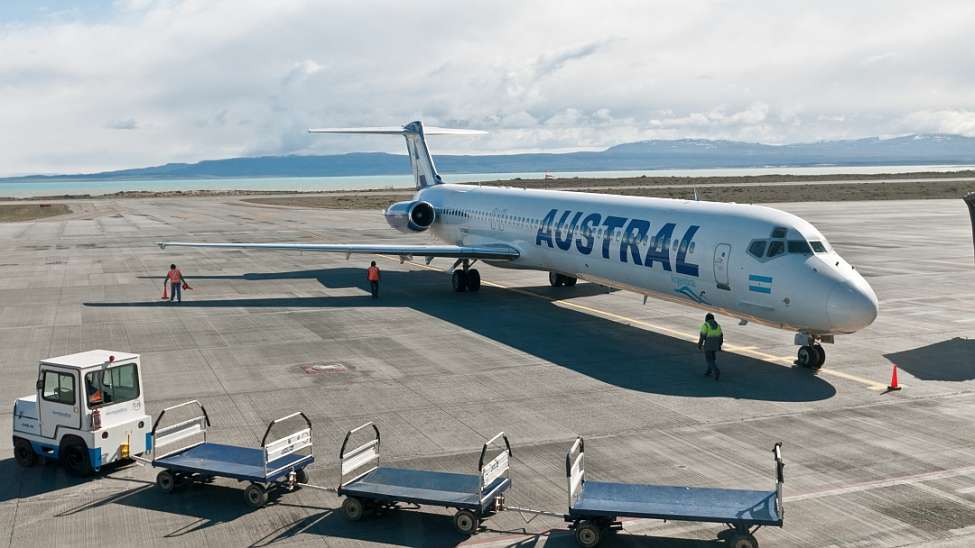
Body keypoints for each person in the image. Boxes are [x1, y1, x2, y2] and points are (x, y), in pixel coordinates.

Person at [697, 313, 723, 380]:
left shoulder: (706, 325)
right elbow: (721, 336)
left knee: (709, 359)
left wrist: (699, 345)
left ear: (706, 319)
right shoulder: (718, 326)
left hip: (708, 344)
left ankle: (716, 371)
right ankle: (709, 371)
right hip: (715, 345)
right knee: (713, 358)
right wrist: (719, 345)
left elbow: (702, 336)